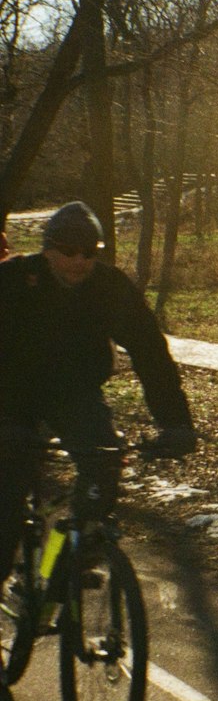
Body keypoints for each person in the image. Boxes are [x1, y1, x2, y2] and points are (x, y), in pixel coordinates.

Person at [0, 201, 197, 586]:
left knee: (105, 459)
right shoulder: (14, 280)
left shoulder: (110, 287)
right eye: (69, 251)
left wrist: (176, 423)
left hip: (73, 394)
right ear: (48, 249)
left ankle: (80, 554)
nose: (79, 261)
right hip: (9, 398)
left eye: (90, 252)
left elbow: (151, 353)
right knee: (7, 499)